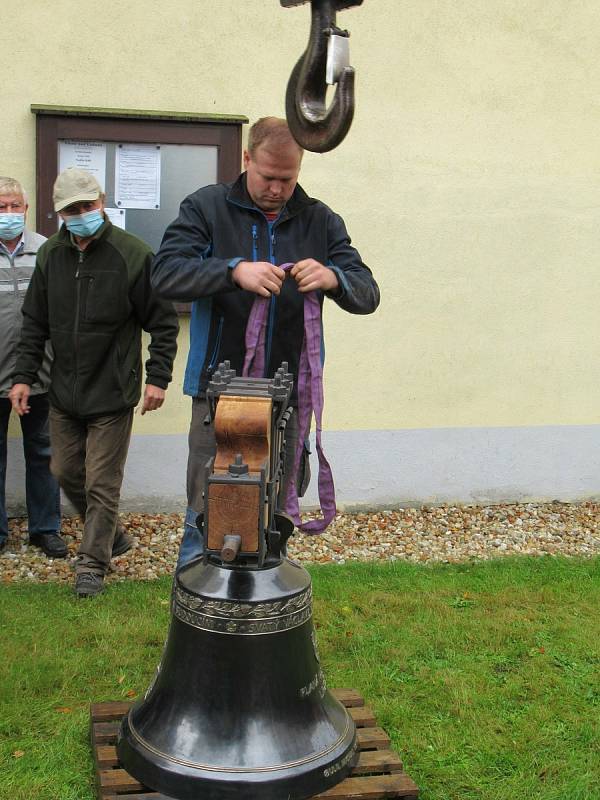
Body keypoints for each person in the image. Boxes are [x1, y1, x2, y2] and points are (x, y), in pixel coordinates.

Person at [151, 116, 380, 565]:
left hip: (288, 396)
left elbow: (368, 293)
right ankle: (196, 625)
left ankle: (263, 621)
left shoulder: (320, 219)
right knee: (208, 513)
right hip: (219, 394)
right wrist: (231, 270)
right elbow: (164, 275)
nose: (277, 189)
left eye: (287, 179)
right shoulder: (206, 208)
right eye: (268, 177)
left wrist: (334, 278)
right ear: (246, 159)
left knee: (276, 516)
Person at [10, 168, 179, 597]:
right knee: (65, 470)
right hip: (64, 391)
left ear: (101, 202)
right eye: (71, 210)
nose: (81, 214)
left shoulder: (134, 254)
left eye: (87, 205)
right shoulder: (50, 256)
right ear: (59, 213)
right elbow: (34, 323)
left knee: (102, 481)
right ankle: (112, 536)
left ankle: (92, 564)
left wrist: (157, 378)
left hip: (113, 390)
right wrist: (24, 378)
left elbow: (162, 323)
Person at [0, 177, 65, 557]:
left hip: (40, 375)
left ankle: (45, 528)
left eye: (14, 206)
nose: (8, 213)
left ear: (25, 209)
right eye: (1, 206)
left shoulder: (46, 250)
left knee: (43, 452)